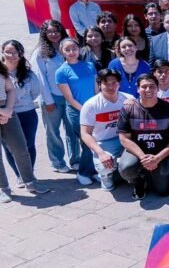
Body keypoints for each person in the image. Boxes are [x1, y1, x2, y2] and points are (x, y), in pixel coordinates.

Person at [117, 73, 169, 200]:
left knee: (164, 191)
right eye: (144, 87)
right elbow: (124, 138)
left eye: (152, 86)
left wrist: (157, 158)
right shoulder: (128, 108)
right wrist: (142, 157)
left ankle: (155, 173)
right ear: (138, 89)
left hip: (161, 152)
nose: (148, 90)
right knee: (126, 167)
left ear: (158, 89)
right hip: (138, 151)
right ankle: (139, 179)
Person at [0, 56, 48, 202]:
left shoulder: (1, 68)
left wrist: (8, 110)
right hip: (3, 112)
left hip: (7, 111)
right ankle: (3, 189)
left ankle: (30, 182)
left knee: (21, 148)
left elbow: (10, 90)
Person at [31, 20, 76, 172]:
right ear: (44, 34)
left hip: (70, 98)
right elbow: (40, 79)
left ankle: (75, 160)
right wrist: (48, 101)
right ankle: (57, 162)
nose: (53, 34)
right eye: (49, 32)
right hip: (52, 98)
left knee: (72, 130)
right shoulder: (40, 53)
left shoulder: (69, 48)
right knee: (53, 132)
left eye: (56, 31)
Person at [55, 37, 99, 185]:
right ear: (62, 52)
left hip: (94, 109)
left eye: (74, 48)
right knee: (87, 141)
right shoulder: (61, 72)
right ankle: (83, 173)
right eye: (67, 50)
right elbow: (69, 98)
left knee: (96, 140)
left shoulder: (89, 65)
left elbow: (96, 88)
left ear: (79, 49)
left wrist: (98, 106)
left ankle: (93, 171)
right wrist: (86, 110)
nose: (71, 52)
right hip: (76, 112)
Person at [79, 69, 132, 191]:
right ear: (99, 85)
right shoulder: (91, 105)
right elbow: (85, 133)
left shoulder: (129, 99)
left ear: (119, 83)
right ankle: (105, 177)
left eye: (114, 82)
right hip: (104, 141)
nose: (110, 86)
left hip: (126, 138)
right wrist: (101, 153)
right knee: (104, 165)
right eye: (106, 83)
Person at [1, 40, 41, 185]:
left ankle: (29, 174)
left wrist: (22, 102)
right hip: (7, 115)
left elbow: (35, 92)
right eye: (8, 52)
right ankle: (19, 175)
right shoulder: (2, 73)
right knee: (9, 147)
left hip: (26, 113)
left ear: (20, 54)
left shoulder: (28, 74)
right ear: (3, 53)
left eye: (15, 52)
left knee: (28, 145)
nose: (12, 55)